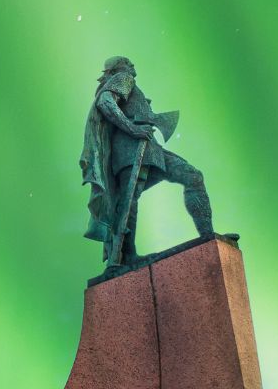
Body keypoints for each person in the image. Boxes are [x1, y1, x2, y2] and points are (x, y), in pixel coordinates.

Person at [79, 55, 222, 269]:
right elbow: (105, 102)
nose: (131, 65)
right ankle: (125, 257)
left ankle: (208, 238)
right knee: (129, 200)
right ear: (117, 69)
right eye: (126, 62)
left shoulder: (125, 82)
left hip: (149, 149)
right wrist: (133, 128)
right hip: (132, 150)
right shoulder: (123, 78)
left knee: (192, 176)